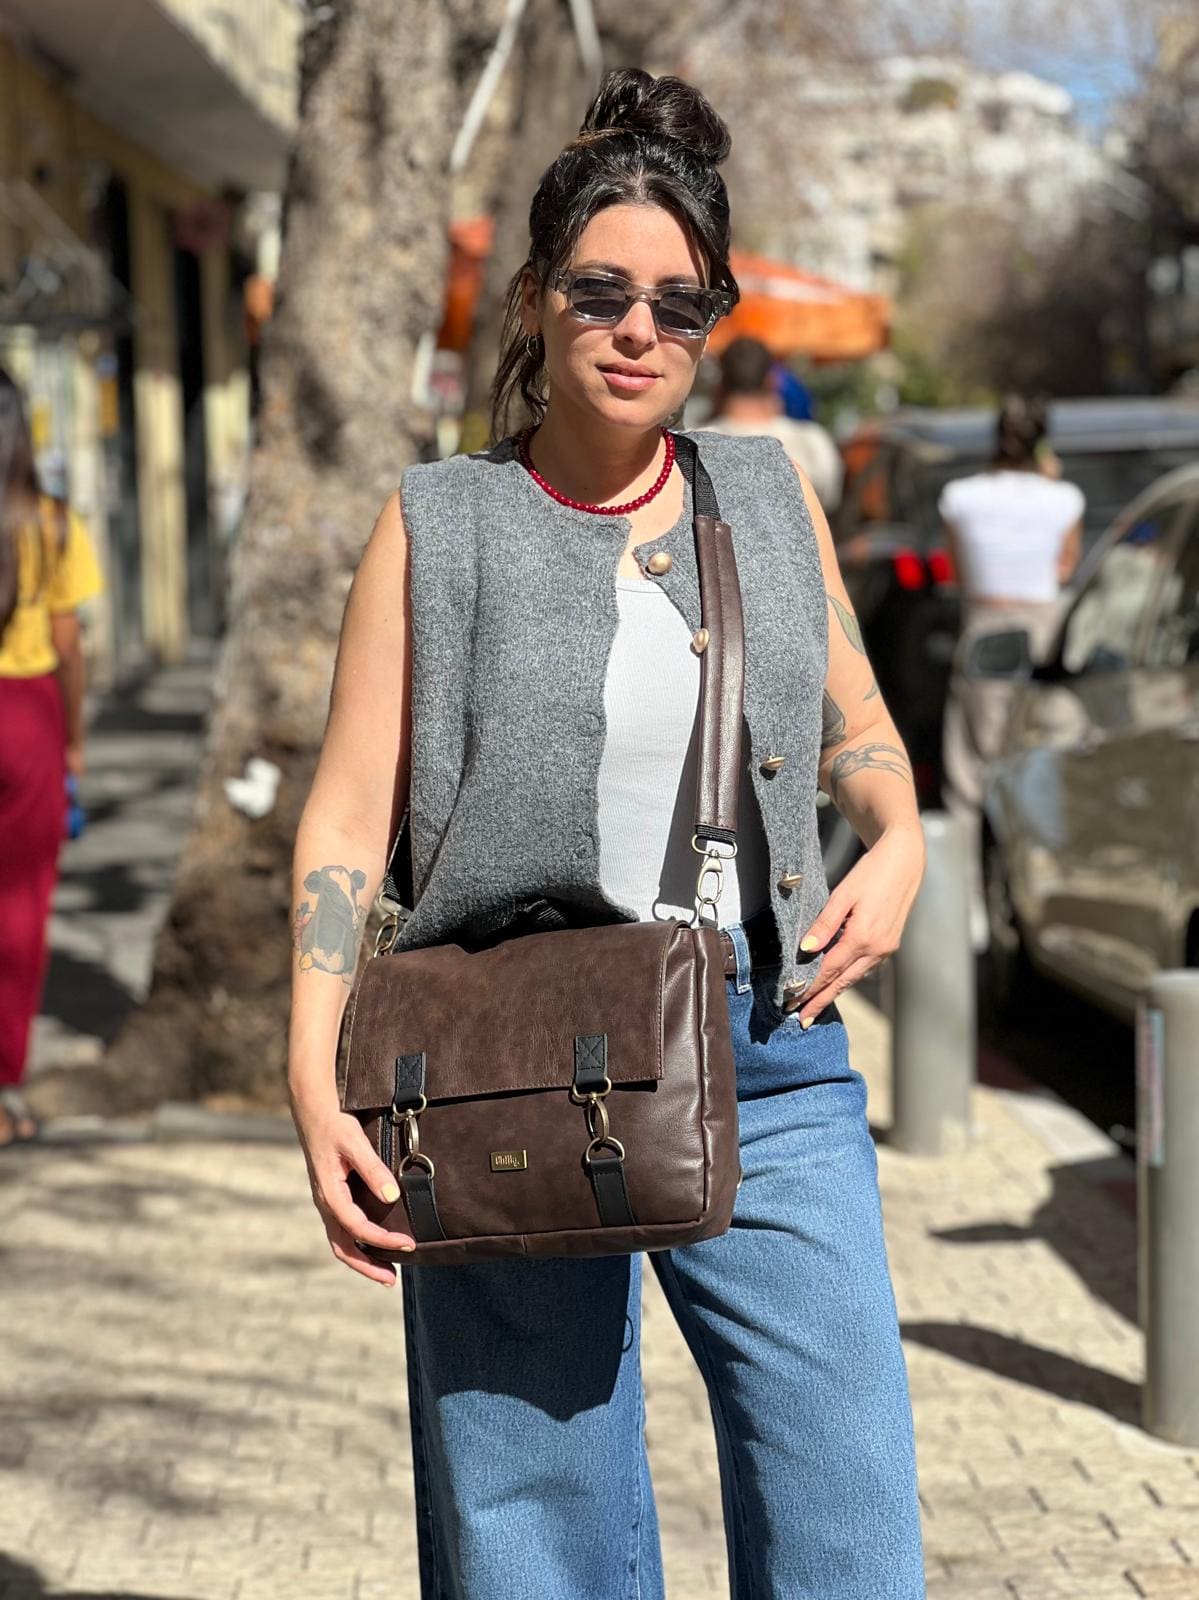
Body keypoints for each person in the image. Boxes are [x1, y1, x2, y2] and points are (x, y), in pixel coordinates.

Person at [287, 69, 927, 1598]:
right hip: (505, 1047)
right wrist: (310, 1073)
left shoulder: (764, 495)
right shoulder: (436, 523)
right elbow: (347, 817)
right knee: (535, 1535)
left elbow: (858, 728)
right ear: (534, 300)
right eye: (599, 292)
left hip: (765, 1050)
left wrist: (897, 838)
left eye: (677, 304)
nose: (638, 330)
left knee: (847, 1512)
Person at [0, 368, 104, 1145]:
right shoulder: (53, 524)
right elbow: (68, 645)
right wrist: (72, 740)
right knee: (20, 908)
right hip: (27, 718)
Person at [940, 394, 1084, 944]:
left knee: (968, 775)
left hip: (984, 632)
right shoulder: (1064, 498)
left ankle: (970, 909)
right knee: (1041, 765)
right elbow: (1065, 567)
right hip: (1046, 638)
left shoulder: (961, 497)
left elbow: (958, 573)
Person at [702, 334, 844, 511]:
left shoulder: (695, 445)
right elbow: (829, 502)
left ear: (720, 384)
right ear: (772, 381)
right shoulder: (811, 440)